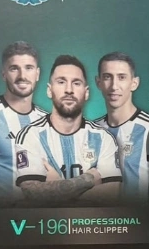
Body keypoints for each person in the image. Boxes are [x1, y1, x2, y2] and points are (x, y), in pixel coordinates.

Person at [14, 55, 121, 205]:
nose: (69, 90)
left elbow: (112, 194)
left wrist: (56, 188)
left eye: (76, 83)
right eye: (61, 82)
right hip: (47, 221)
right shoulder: (30, 136)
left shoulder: (104, 138)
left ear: (86, 92)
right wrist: (88, 179)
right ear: (49, 90)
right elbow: (32, 193)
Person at [93, 52, 149, 203]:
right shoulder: (92, 131)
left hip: (137, 217)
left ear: (134, 83)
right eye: (107, 77)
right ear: (98, 82)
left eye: (122, 77)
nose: (114, 86)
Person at [0, 41, 46, 205]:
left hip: (41, 216)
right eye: (14, 68)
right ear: (3, 74)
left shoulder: (45, 120)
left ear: (37, 74)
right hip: (2, 216)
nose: (22, 75)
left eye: (29, 68)